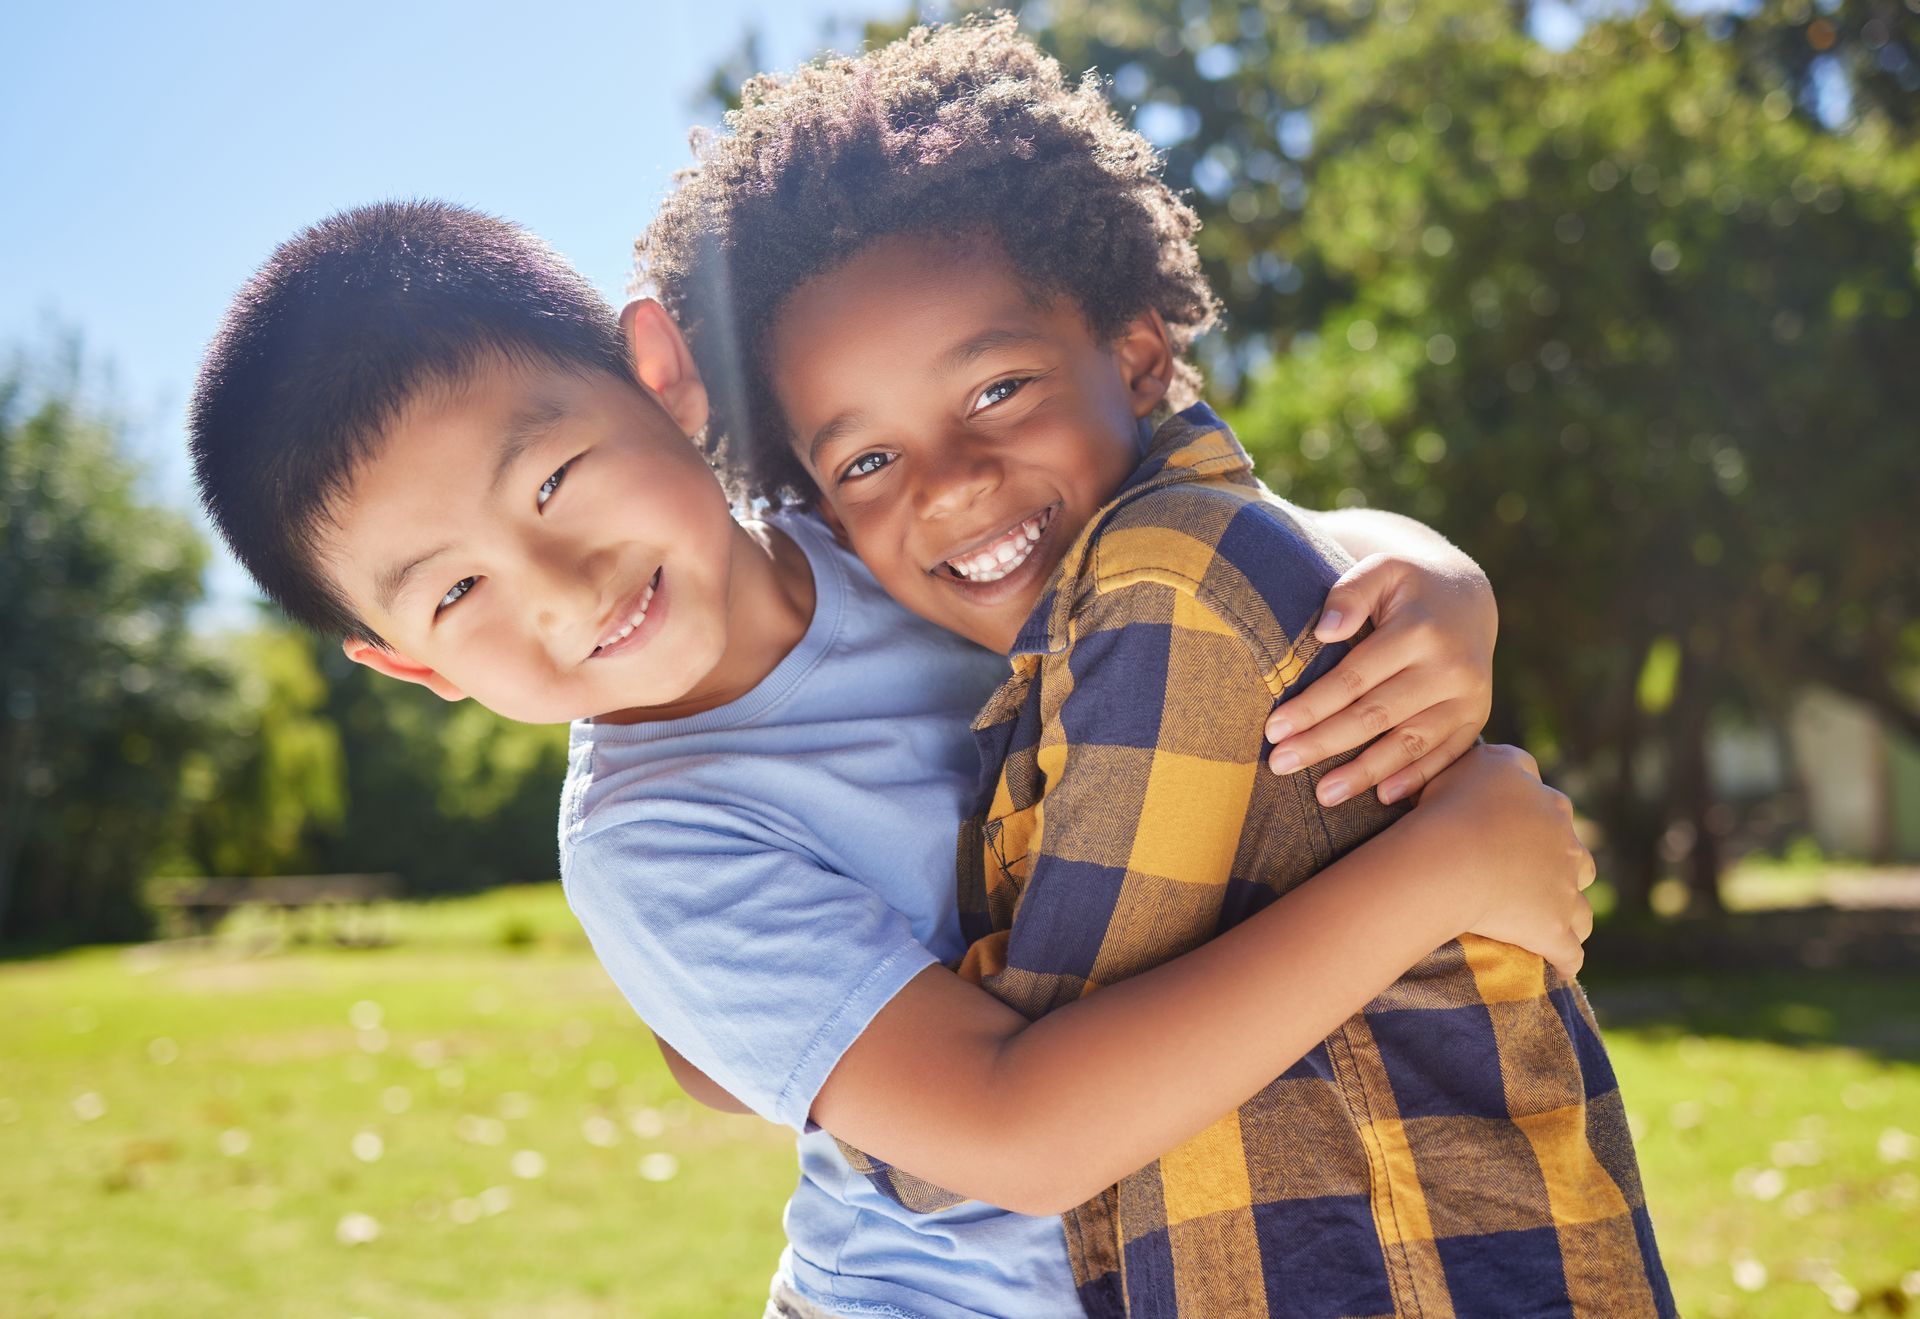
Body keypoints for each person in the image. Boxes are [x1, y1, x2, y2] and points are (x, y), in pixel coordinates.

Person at [189, 198, 1595, 1318]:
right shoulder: (651, 837)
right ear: (412, 670)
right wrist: (1438, 874)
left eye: (550, 480)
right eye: (452, 594)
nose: (556, 587)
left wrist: (1433, 577)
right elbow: (1019, 1136)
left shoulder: (892, 516)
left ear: (660, 377)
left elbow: (1223, 543)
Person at [642, 16, 1673, 1317]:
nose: (951, 490)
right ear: (816, 510)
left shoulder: (1159, 593)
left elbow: (992, 1145)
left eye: (998, 390)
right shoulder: (1073, 616)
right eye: (864, 462)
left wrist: (824, 1060)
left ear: (1136, 353)